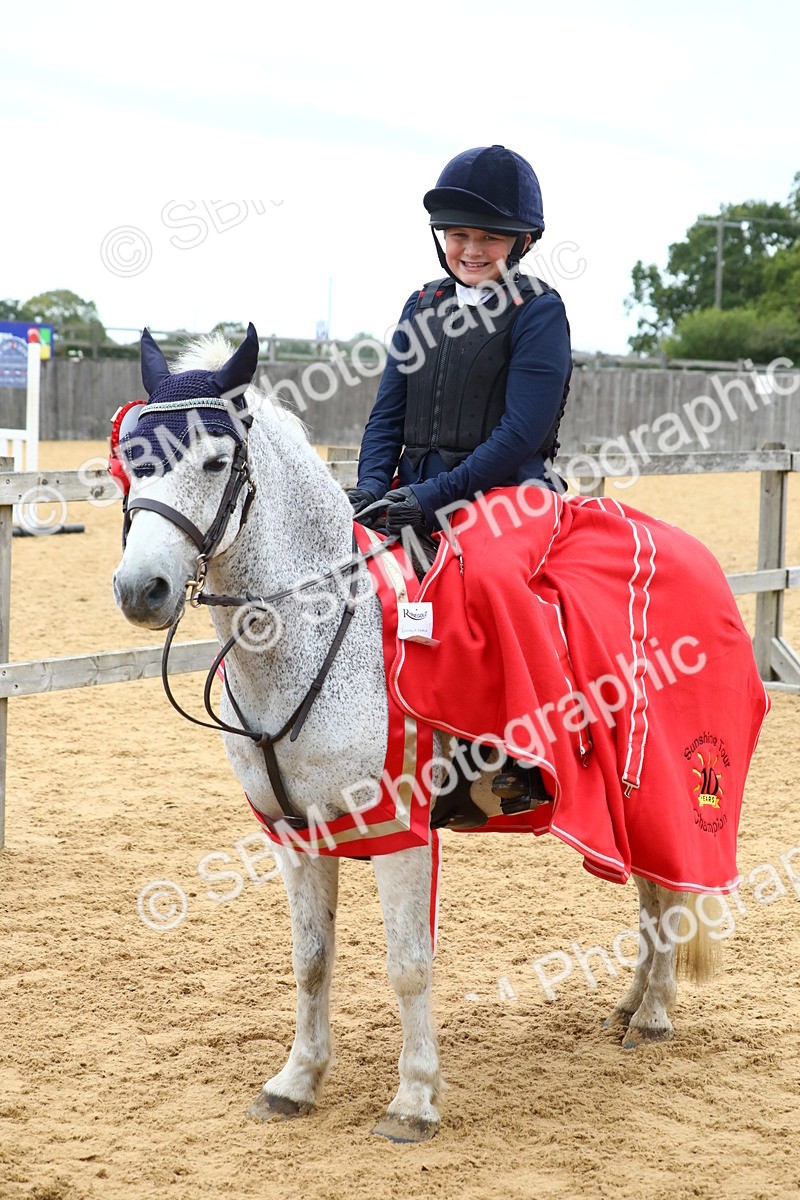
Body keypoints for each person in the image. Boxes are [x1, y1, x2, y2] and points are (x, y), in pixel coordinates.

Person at [347, 144, 574, 816]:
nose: (471, 249)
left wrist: (432, 498)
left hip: (508, 492)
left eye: (490, 237)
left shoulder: (540, 311)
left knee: (494, 580)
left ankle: (521, 755)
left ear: (523, 240)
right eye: (460, 235)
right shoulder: (421, 303)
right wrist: (368, 489)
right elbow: (386, 412)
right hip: (413, 488)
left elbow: (519, 434)